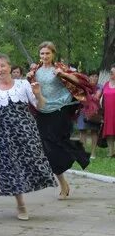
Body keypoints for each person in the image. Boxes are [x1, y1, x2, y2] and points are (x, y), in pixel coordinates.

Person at [0, 54, 56, 220]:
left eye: (3, 65)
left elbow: (41, 105)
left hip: (27, 132)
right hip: (5, 136)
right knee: (11, 168)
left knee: (34, 162)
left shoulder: (23, 84)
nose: (0, 69)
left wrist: (37, 94)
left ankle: (40, 184)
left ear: (9, 67)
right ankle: (21, 205)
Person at [27, 41, 91, 199]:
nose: (44, 56)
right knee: (45, 148)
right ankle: (64, 180)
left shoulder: (60, 68)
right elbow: (32, 89)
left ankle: (76, 153)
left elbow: (80, 81)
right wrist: (28, 78)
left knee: (55, 143)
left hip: (60, 109)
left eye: (47, 53)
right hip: (43, 110)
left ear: (53, 54)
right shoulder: (36, 70)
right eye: (42, 53)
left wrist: (63, 75)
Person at [76, 70, 101, 159]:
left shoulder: (99, 87)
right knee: (83, 131)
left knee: (94, 131)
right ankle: (83, 152)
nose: (94, 78)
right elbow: (80, 97)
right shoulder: (83, 86)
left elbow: (97, 97)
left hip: (95, 112)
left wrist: (88, 95)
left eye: (96, 76)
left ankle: (93, 153)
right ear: (88, 77)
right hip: (83, 111)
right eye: (92, 76)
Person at [102, 64, 115, 157]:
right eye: (111, 72)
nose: (112, 74)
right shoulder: (106, 84)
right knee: (110, 132)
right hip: (108, 113)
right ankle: (111, 152)